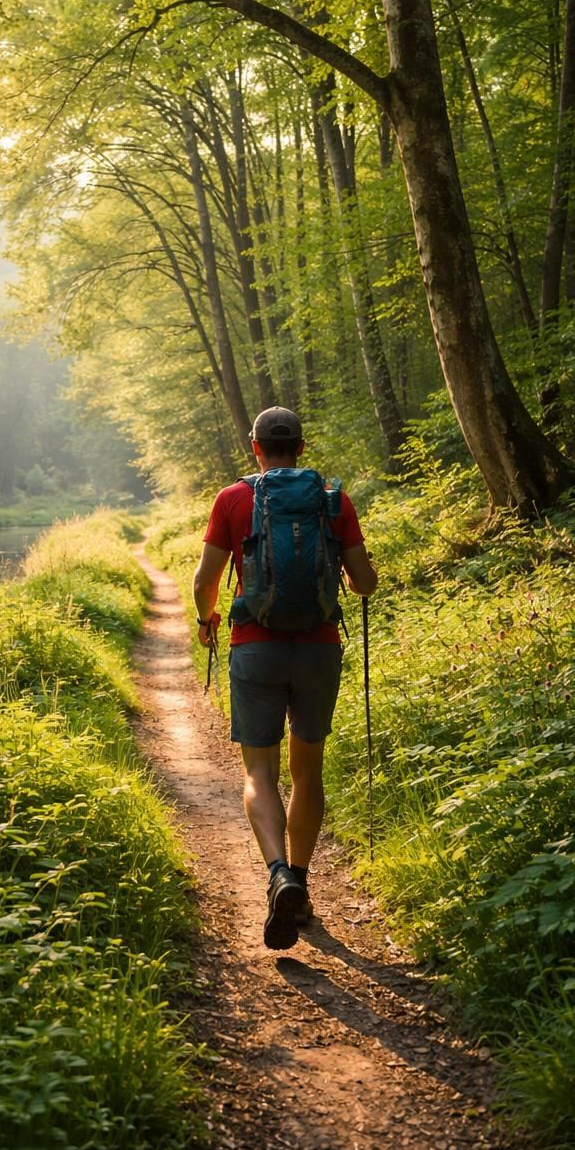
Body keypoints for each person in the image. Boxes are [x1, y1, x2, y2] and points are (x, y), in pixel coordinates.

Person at [192, 406, 377, 951]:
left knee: (259, 773)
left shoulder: (232, 500)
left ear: (255, 447)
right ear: (301, 445)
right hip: (319, 649)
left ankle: (279, 876)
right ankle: (302, 881)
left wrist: (207, 619)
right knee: (308, 773)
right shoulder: (333, 500)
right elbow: (364, 583)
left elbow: (206, 579)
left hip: (256, 649)